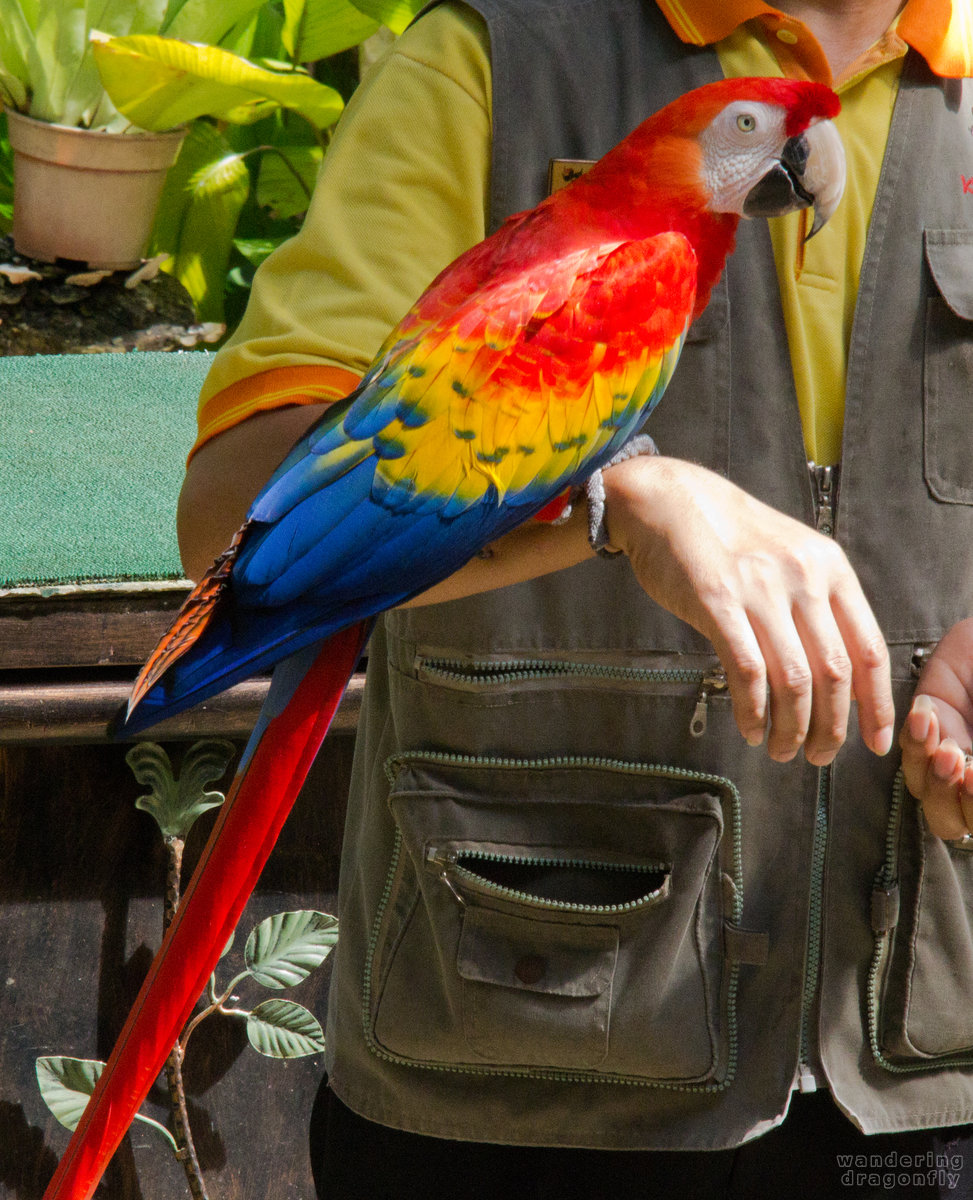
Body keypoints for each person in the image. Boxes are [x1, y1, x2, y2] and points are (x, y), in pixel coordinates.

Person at [177, 1, 973, 1195]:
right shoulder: (497, 55)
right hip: (521, 1055)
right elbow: (229, 522)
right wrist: (619, 500)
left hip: (918, 1056)